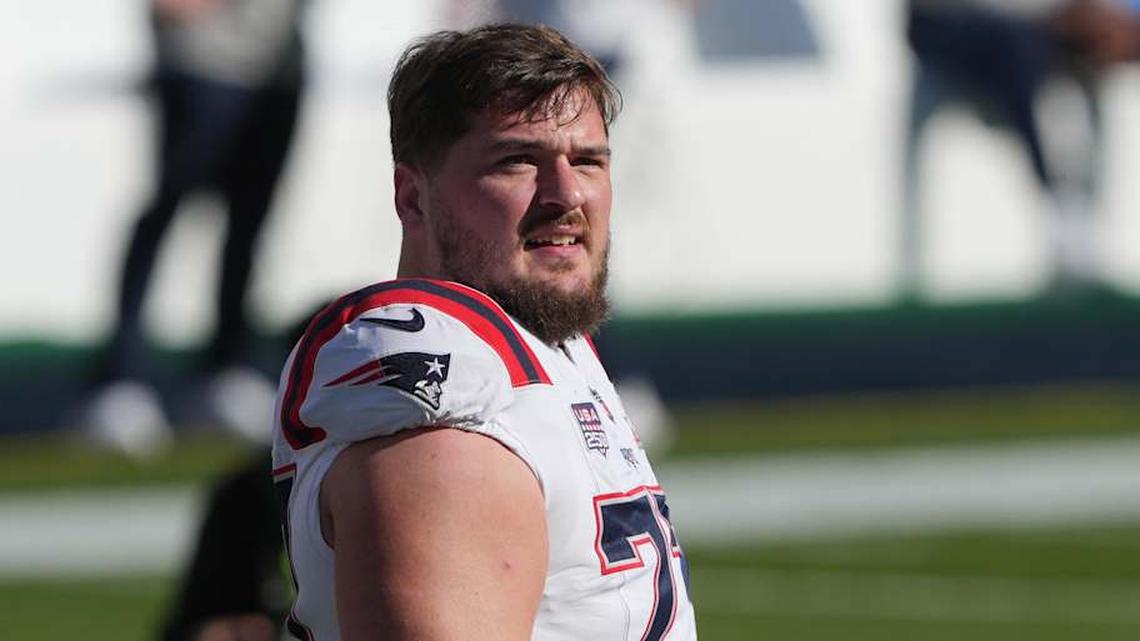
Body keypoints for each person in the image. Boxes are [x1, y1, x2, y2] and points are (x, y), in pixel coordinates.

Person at [271, 23, 697, 641]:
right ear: (412, 198)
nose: (566, 195)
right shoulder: (448, 375)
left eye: (587, 160)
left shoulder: (546, 343)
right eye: (517, 161)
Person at [82, 0, 308, 454]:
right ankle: (120, 380)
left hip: (278, 64)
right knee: (168, 210)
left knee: (249, 223)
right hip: (203, 57)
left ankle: (224, 370)